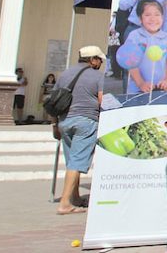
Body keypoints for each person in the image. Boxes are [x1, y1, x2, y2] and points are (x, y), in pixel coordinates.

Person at [53, 46, 105, 215]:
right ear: (93, 60)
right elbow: (102, 101)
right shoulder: (98, 76)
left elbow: (53, 101)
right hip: (86, 121)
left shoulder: (65, 74)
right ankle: (65, 203)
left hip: (64, 121)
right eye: (99, 60)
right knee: (77, 161)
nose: (101, 63)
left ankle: (74, 197)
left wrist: (55, 125)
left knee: (72, 161)